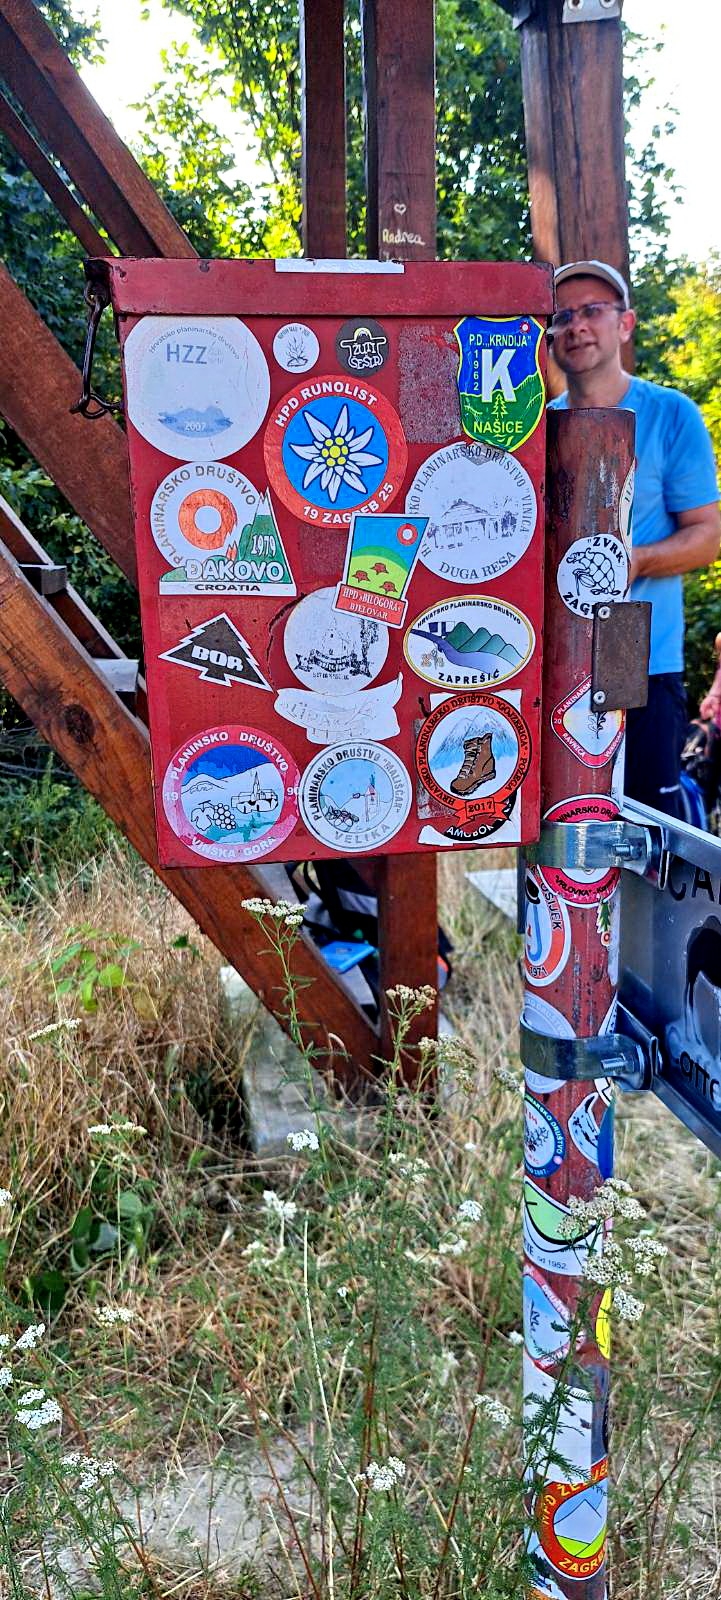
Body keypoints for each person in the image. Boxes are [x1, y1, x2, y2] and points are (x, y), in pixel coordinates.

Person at [548, 259, 720, 819]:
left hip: (635, 650)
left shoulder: (671, 414)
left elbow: (709, 537)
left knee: (642, 828)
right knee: (563, 825)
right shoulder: (535, 426)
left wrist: (634, 561)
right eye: (562, 315)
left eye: (592, 310)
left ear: (625, 323)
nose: (576, 325)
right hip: (552, 658)